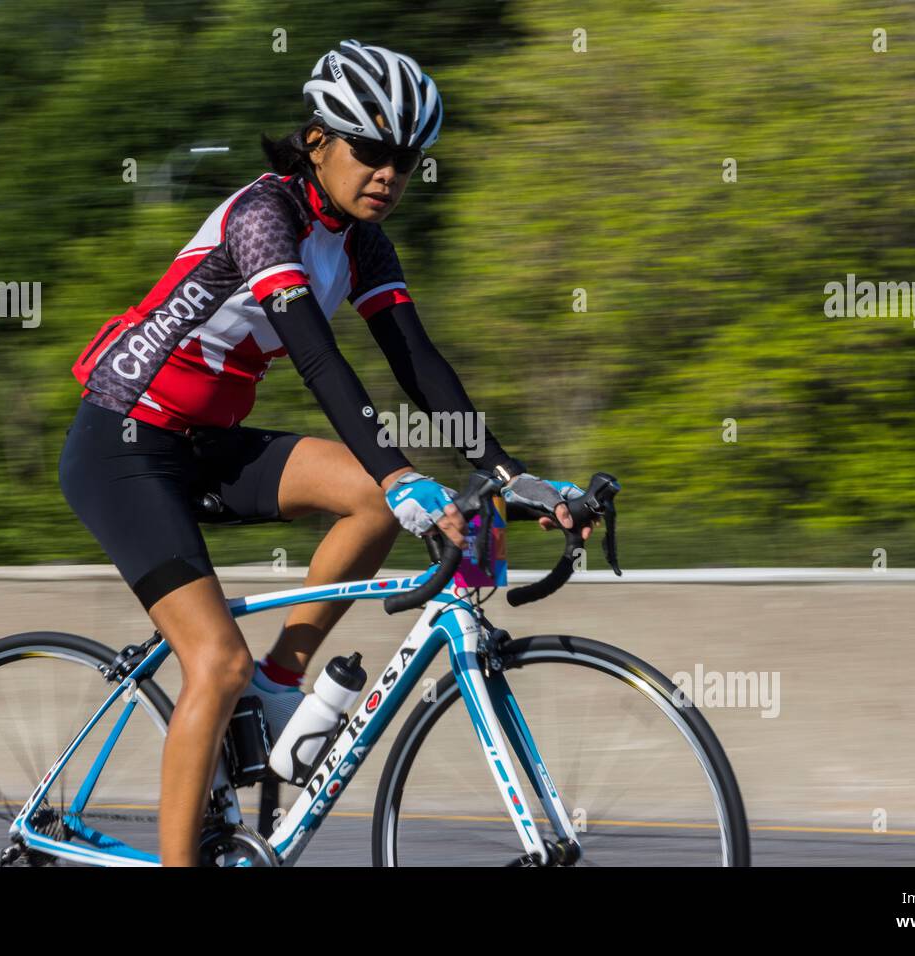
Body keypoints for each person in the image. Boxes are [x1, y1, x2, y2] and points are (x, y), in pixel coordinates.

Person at [58, 38, 592, 865]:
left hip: (206, 443)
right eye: (372, 151)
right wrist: (402, 468)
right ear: (318, 141)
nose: (390, 174)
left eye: (407, 160)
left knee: (372, 503)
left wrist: (509, 473)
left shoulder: (363, 239)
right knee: (213, 661)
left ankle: (278, 687)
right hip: (122, 442)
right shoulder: (263, 215)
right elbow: (317, 359)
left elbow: (418, 362)